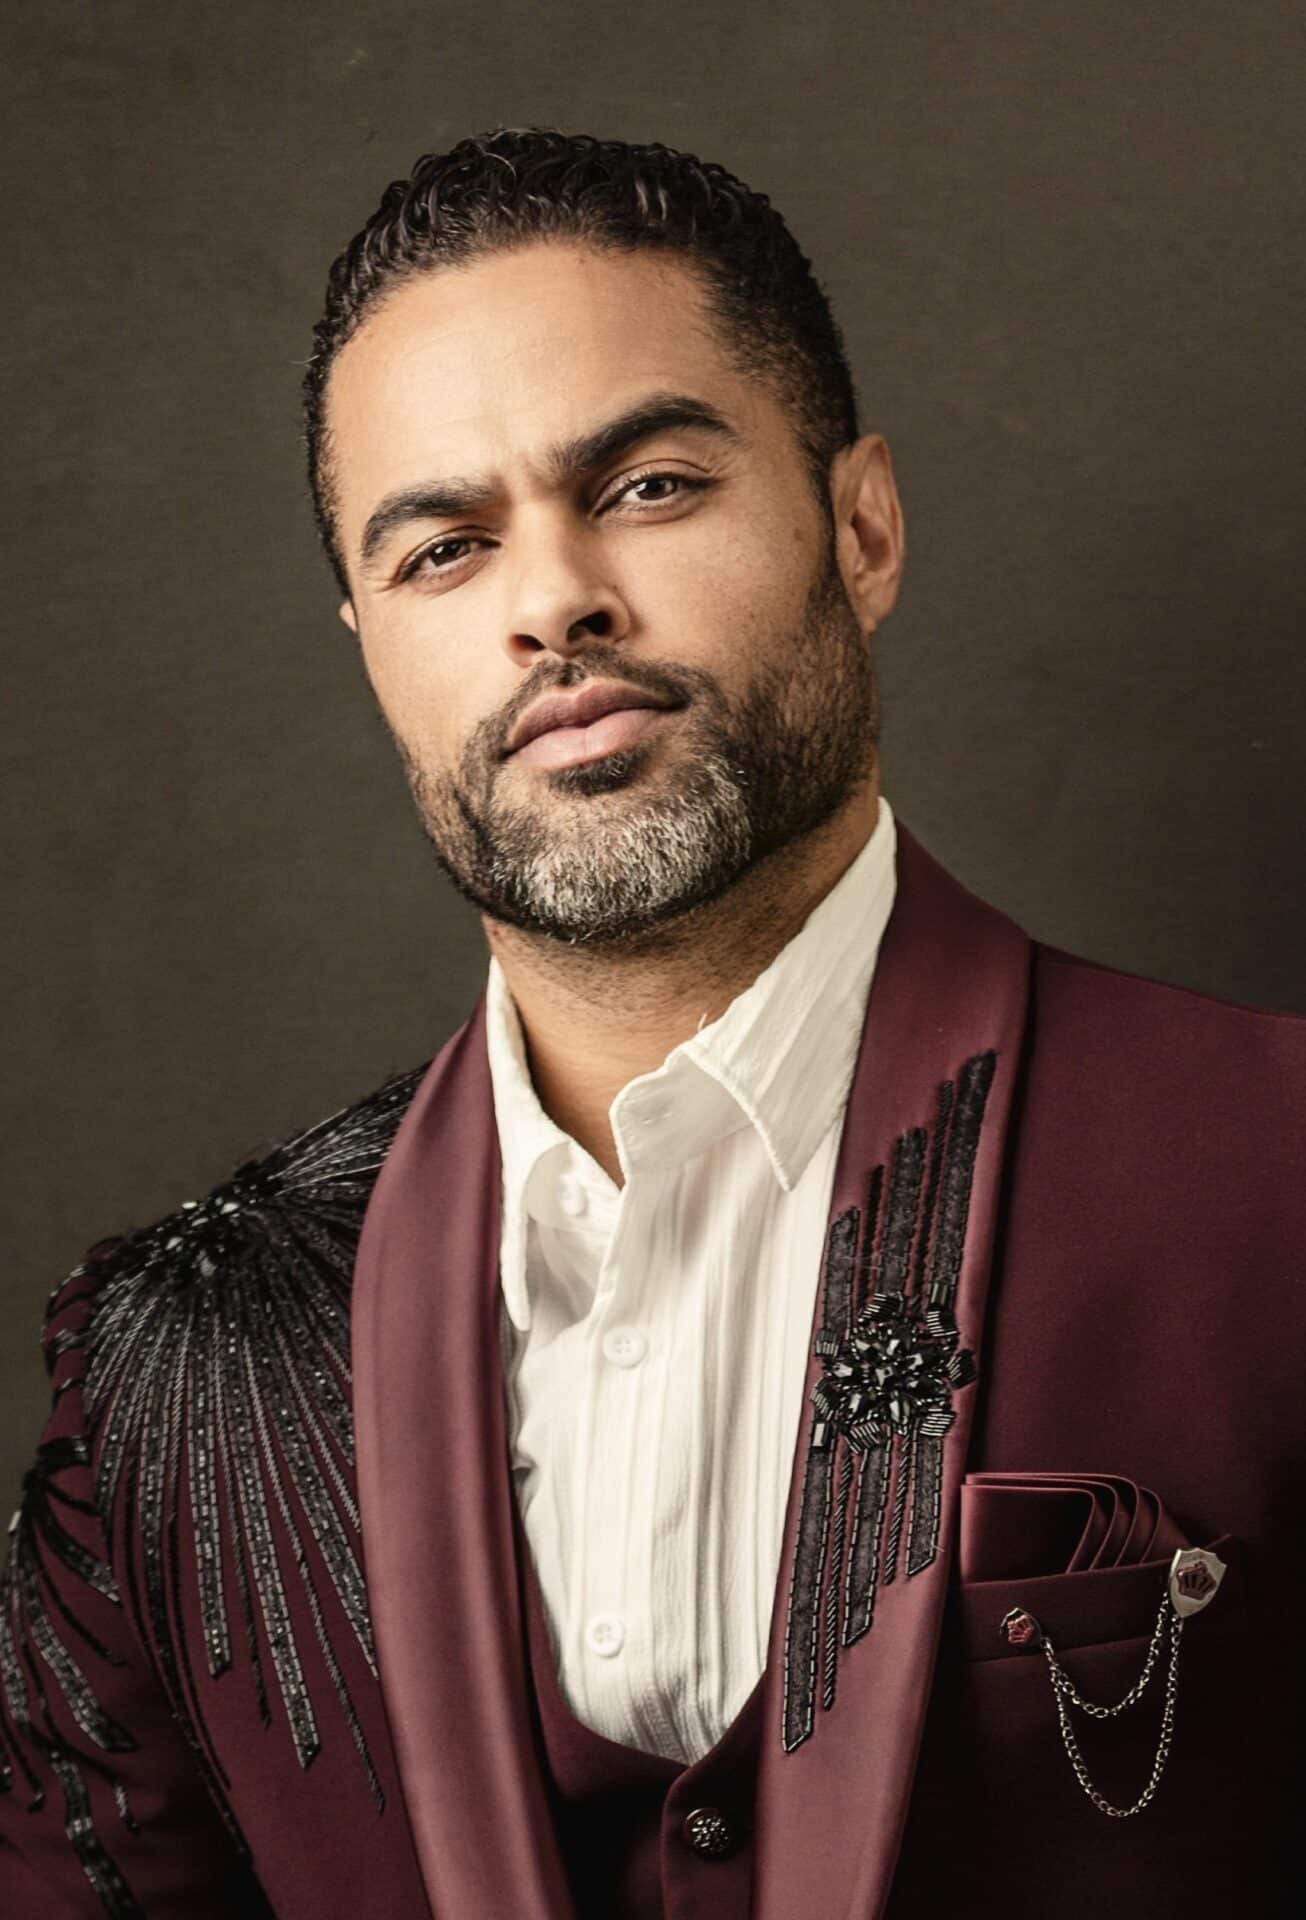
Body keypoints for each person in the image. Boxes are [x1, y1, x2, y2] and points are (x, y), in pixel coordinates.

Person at [0, 125, 1301, 1920]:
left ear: (861, 528)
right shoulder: (180, 1357)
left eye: (649, 485)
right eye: (445, 549)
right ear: (367, 640)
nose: (552, 604)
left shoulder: (1276, 1170)